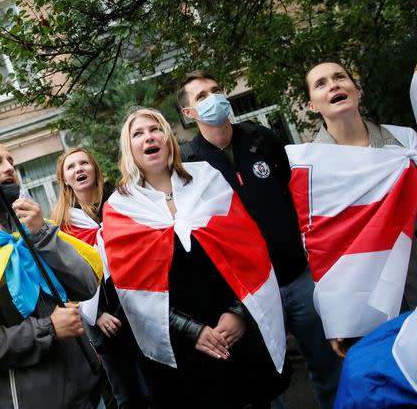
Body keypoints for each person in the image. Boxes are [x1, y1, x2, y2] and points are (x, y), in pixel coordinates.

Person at [102, 108, 289, 409]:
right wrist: (193, 331)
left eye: (155, 129)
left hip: (236, 332)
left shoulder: (206, 180)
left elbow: (247, 251)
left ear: (168, 138)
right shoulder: (121, 209)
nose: (149, 136)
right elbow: (135, 294)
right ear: (129, 148)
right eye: (138, 133)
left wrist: (237, 313)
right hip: (182, 349)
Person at [177, 71, 341, 408]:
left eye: (216, 90)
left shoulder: (262, 139)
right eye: (202, 96)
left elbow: (290, 193)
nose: (214, 98)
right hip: (247, 295)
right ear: (189, 114)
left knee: (329, 369)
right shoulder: (189, 165)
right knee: (267, 385)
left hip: (298, 279)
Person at [0, 139, 102, 408]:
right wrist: (49, 329)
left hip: (87, 390)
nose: (9, 167)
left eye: (10, 161)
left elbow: (86, 285)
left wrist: (43, 236)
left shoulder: (34, 227)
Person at [299, 61, 417, 356]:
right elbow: (319, 245)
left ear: (357, 90)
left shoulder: (406, 141)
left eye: (340, 77)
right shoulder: (309, 167)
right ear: (312, 105)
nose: (334, 85)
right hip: (367, 297)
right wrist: (336, 316)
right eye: (321, 83)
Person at [51, 147, 150, 408]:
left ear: (95, 169)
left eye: (84, 163)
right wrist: (97, 315)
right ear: (65, 180)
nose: (79, 169)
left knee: (159, 381)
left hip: (142, 305)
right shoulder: (64, 226)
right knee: (126, 394)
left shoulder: (120, 203)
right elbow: (67, 279)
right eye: (71, 167)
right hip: (104, 319)